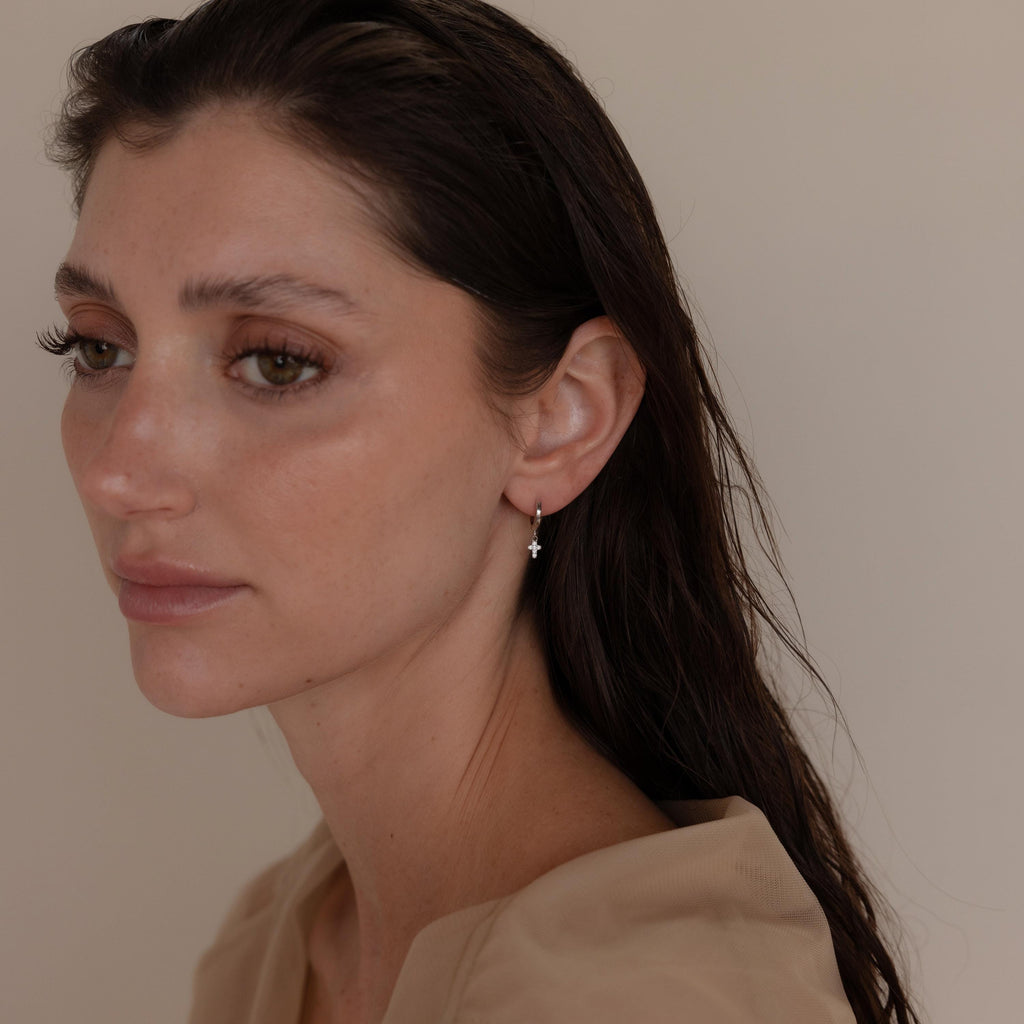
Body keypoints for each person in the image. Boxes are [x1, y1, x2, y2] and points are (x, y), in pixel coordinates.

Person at [39, 1, 920, 1021]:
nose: (119, 472)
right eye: (99, 347)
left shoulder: (656, 999)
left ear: (561, 418)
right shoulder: (283, 934)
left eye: (278, 361)